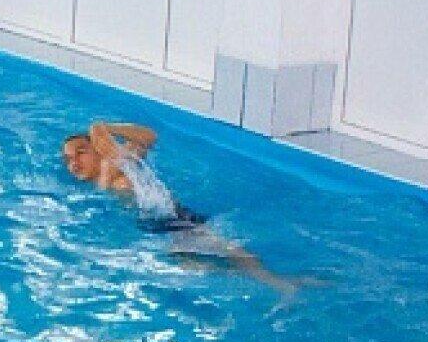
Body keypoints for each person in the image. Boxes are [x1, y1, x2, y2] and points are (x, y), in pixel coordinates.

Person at [63, 121, 303, 293]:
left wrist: (106, 128)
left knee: (226, 252)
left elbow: (149, 137)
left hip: (171, 219)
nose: (74, 162)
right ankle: (277, 282)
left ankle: (279, 283)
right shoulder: (100, 179)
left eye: (81, 153)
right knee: (195, 265)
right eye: (68, 159)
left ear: (98, 150)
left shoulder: (113, 165)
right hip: (158, 226)